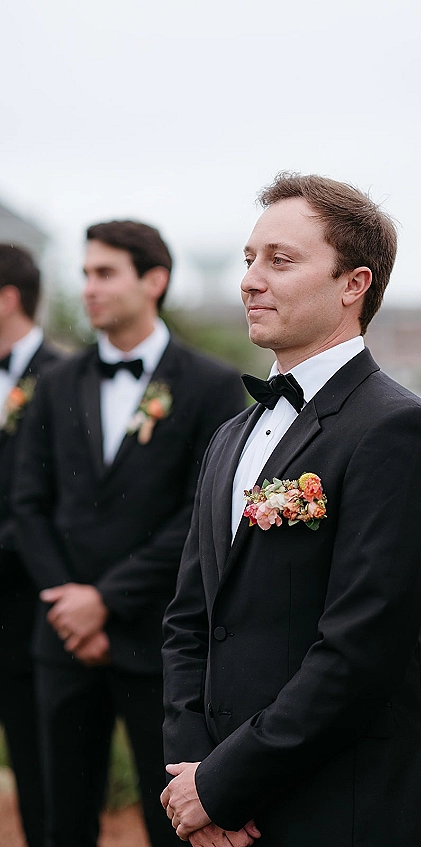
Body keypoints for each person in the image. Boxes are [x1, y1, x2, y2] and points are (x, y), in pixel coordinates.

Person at [161, 173, 421, 847]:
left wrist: (222, 784)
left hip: (347, 812)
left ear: (353, 283)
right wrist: (189, 776)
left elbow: (359, 654)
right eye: (248, 259)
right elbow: (189, 620)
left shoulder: (400, 433)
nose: (250, 280)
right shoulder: (229, 436)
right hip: (224, 816)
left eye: (281, 259)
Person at [13, 220, 246, 847]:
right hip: (61, 637)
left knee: (168, 818)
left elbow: (204, 516)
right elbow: (26, 505)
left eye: (105, 273)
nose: (89, 288)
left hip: (159, 642)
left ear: (155, 280)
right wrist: (69, 602)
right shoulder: (57, 382)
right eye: (85, 273)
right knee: (61, 818)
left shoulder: (212, 385)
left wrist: (106, 601)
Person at [0, 244, 61, 846]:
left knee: (39, 761)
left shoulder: (62, 376)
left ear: (7, 298)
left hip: (26, 604)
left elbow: (54, 499)